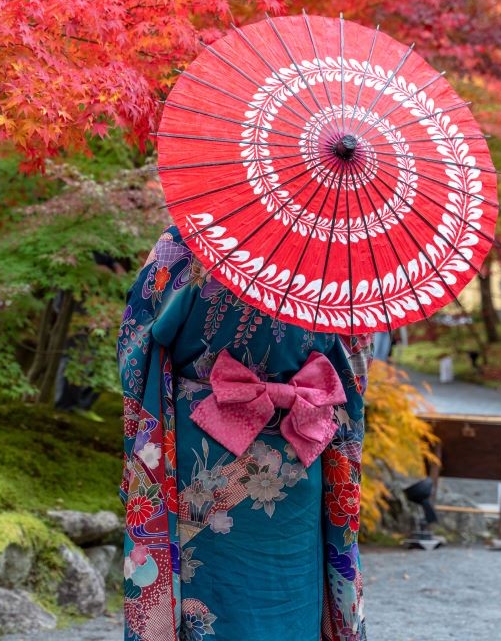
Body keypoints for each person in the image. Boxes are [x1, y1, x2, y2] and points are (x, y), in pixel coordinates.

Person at [119, 227, 369, 641]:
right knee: (289, 595)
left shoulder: (191, 238)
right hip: (298, 453)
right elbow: (354, 371)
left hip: (201, 457)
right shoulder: (340, 256)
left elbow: (138, 339)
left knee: (211, 599)